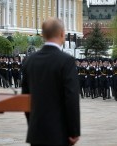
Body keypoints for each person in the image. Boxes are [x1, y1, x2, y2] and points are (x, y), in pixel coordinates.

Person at [22, 18, 80, 146]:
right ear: (62, 34)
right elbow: (71, 98)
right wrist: (74, 131)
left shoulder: (29, 61)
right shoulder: (66, 61)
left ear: (43, 35)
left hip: (36, 131)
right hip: (59, 132)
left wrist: (33, 124)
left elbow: (25, 98)